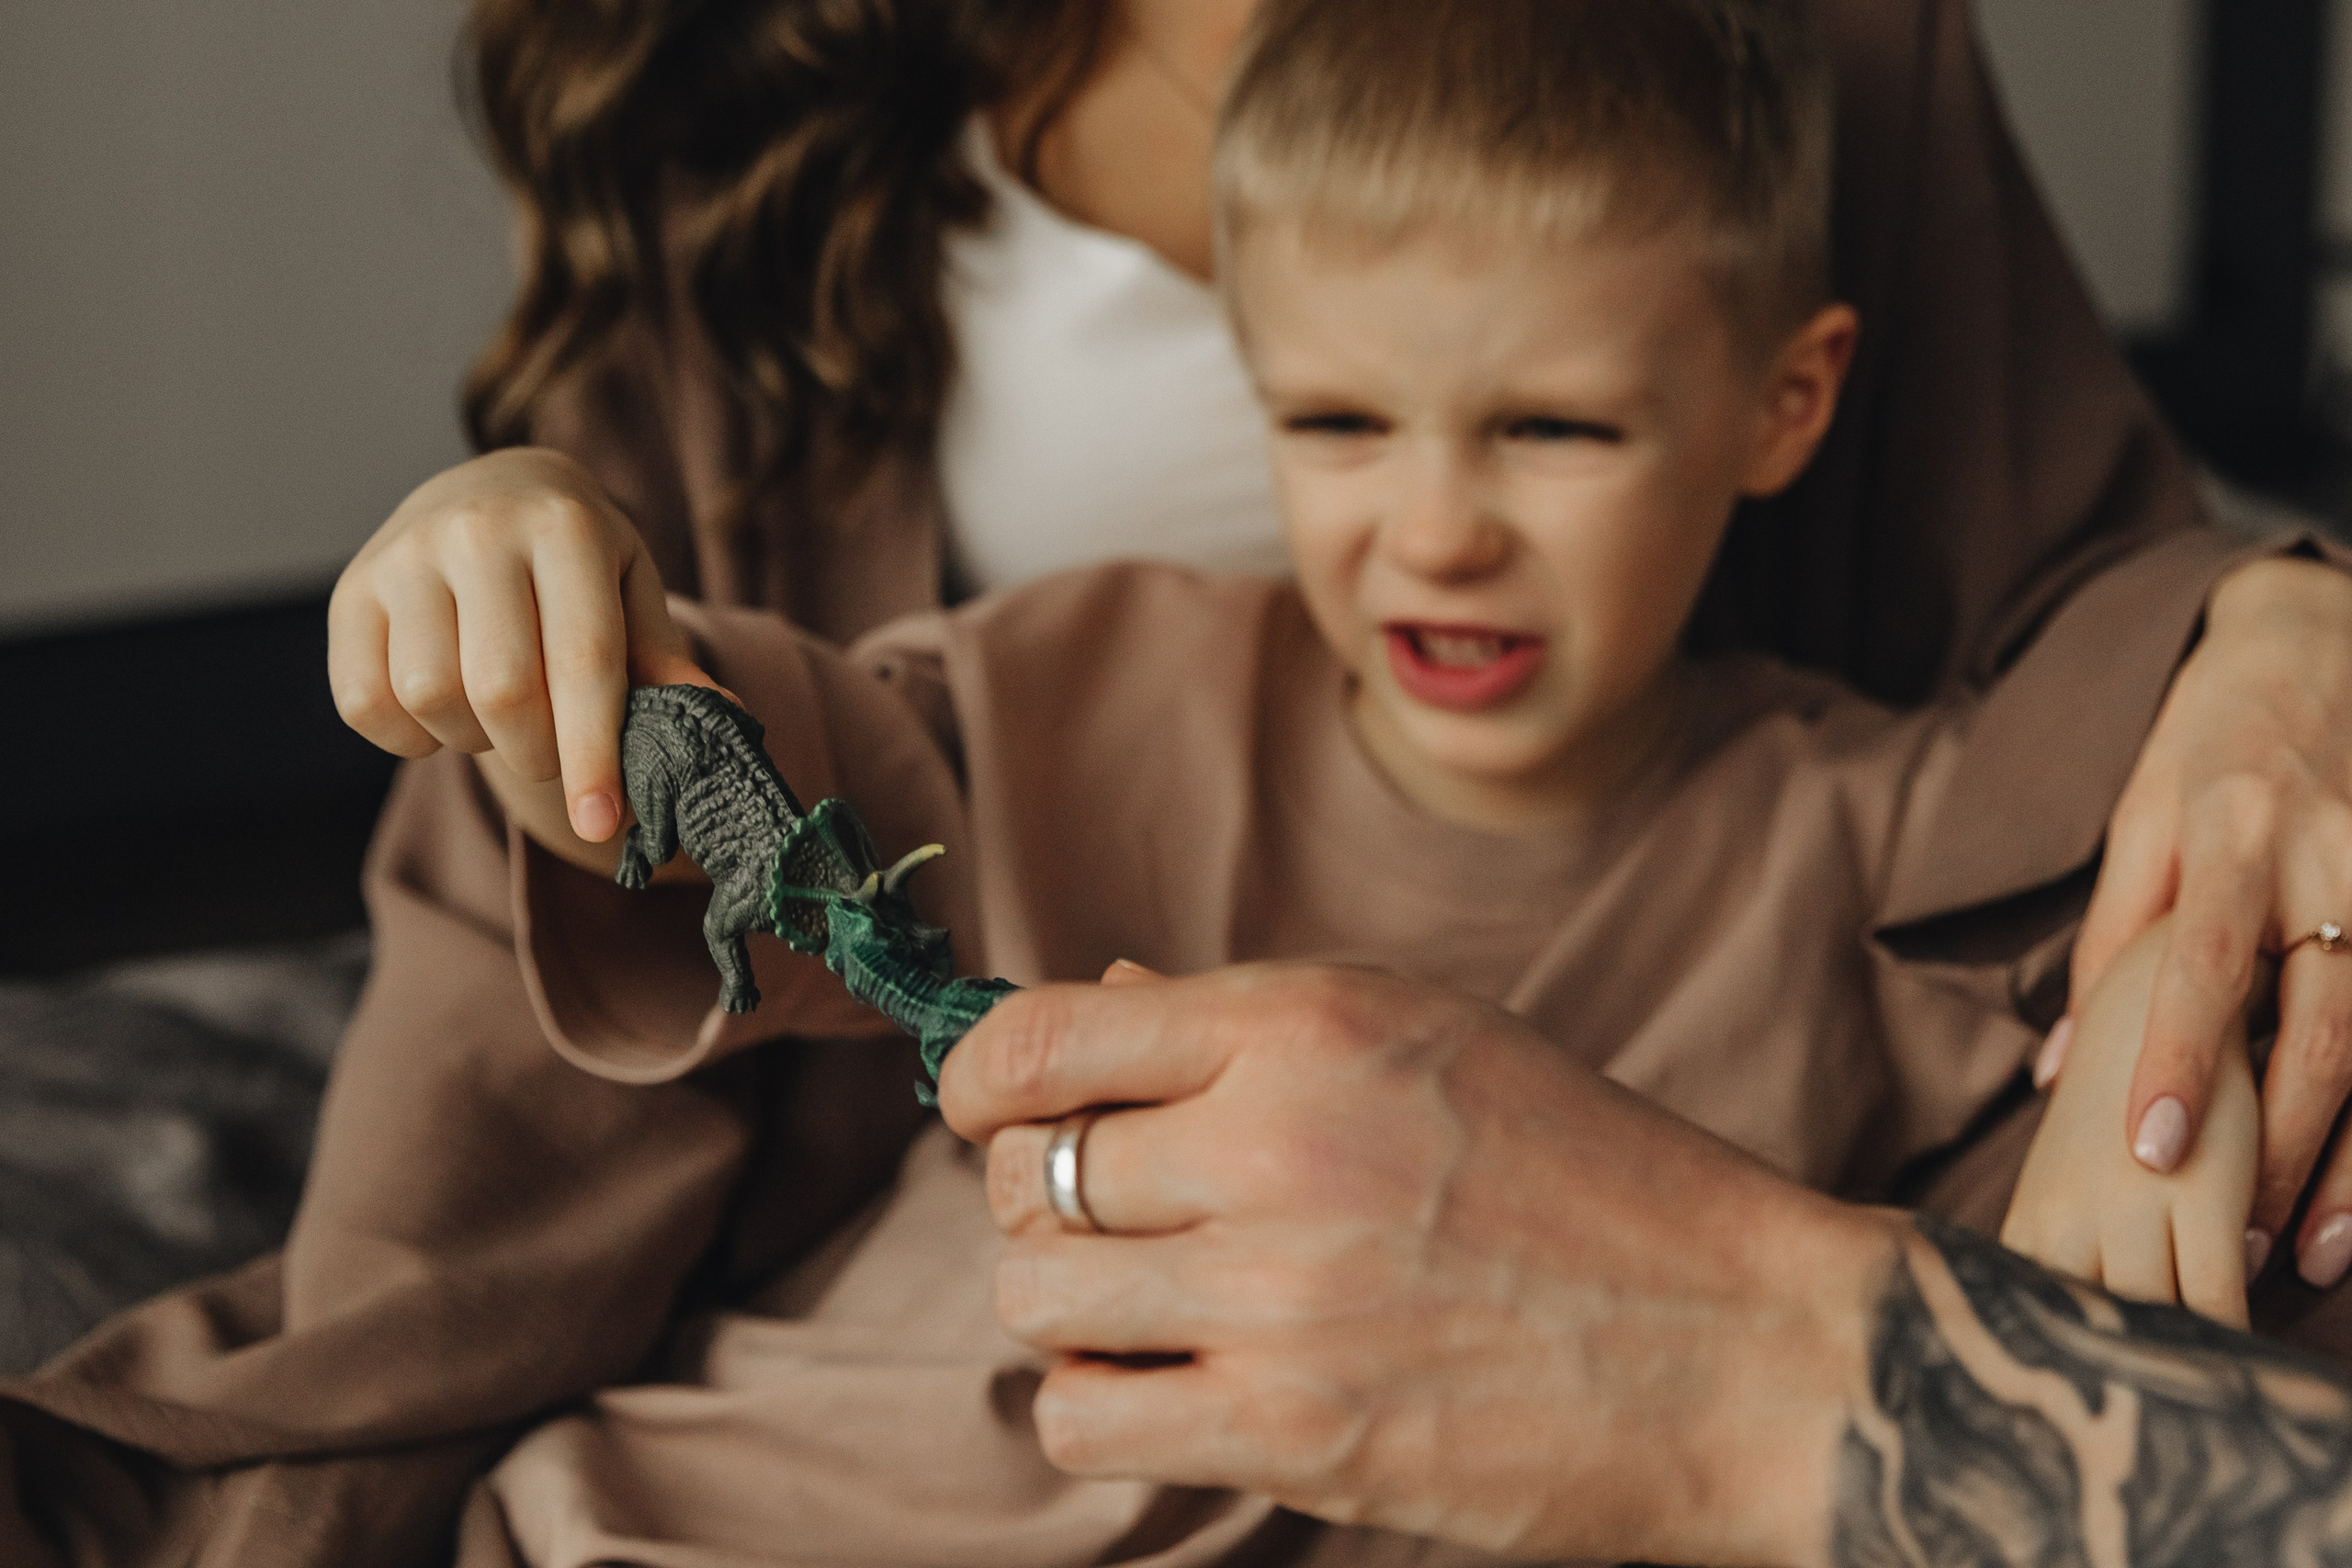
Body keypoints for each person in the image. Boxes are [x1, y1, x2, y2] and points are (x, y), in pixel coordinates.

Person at [337, 0, 2352, 1276]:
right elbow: (708, 715)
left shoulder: (1826, 817)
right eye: (1327, 422)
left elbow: (2069, 637)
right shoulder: (1047, 697)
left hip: (1628, 1030)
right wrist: (504, 542)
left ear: (1779, 401)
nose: (1438, 528)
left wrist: (2266, 632)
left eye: (1551, 424)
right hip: (953, 1094)